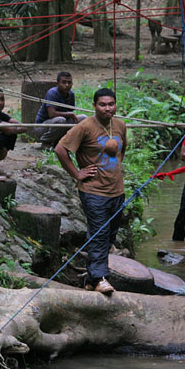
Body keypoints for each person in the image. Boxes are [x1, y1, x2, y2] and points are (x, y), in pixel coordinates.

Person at [55, 88, 127, 295]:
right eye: (103, 104)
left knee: (110, 235)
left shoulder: (120, 125)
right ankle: (100, 279)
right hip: (93, 191)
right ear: (94, 106)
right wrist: (77, 174)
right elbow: (61, 149)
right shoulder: (85, 127)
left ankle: (89, 278)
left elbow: (122, 151)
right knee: (99, 233)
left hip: (116, 190)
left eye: (111, 104)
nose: (107, 108)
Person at [34, 71, 88, 147]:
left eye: (69, 82)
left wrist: (70, 115)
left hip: (62, 122)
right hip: (43, 127)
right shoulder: (52, 93)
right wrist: (69, 114)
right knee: (60, 120)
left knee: (84, 118)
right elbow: (52, 114)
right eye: (64, 82)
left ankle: (67, 142)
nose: (67, 85)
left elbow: (70, 114)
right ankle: (46, 142)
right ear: (57, 84)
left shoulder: (71, 94)